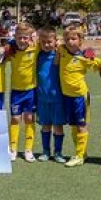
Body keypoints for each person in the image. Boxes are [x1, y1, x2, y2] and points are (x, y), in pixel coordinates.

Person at [57, 25, 101, 167]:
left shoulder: (84, 57)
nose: (70, 42)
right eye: (68, 39)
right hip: (66, 95)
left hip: (80, 96)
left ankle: (79, 156)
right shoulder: (62, 50)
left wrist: (93, 57)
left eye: (74, 39)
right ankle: (82, 152)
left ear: (80, 40)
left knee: (81, 125)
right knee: (74, 126)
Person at [6, 22, 38, 162]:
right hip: (16, 91)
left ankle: (28, 149)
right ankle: (13, 149)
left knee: (29, 118)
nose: (23, 40)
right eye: (20, 38)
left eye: (26, 37)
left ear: (30, 37)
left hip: (31, 90)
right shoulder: (11, 50)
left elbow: (54, 42)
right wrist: (8, 45)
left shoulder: (35, 48)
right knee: (15, 118)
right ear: (15, 37)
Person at [34, 27, 66, 163]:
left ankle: (58, 152)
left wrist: (59, 48)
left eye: (49, 42)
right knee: (45, 125)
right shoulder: (38, 55)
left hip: (57, 98)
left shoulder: (59, 55)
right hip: (42, 97)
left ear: (55, 41)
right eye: (43, 42)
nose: (46, 45)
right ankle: (45, 151)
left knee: (58, 126)